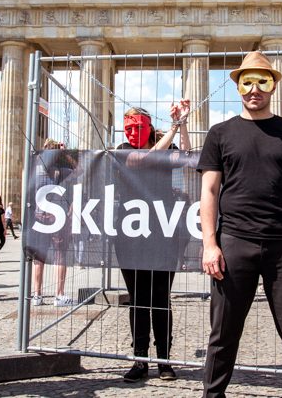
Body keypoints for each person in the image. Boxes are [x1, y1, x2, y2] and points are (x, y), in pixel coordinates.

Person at [198, 51, 282, 398]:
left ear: (274, 86)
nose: (255, 89)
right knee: (222, 334)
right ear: (237, 86)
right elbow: (208, 189)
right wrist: (210, 243)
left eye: (262, 81)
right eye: (247, 81)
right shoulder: (220, 133)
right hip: (234, 243)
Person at [115, 102, 190, 382]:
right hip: (130, 235)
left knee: (160, 298)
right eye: (129, 127)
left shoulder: (166, 146)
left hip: (162, 233)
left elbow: (184, 156)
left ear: (147, 126)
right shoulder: (123, 149)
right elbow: (144, 160)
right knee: (139, 300)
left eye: (138, 127)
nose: (133, 132)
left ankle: (164, 360)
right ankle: (140, 359)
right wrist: (172, 129)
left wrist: (182, 123)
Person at [30, 139, 75, 307]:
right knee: (60, 255)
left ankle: (37, 295)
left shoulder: (35, 170)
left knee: (39, 257)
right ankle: (59, 294)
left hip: (39, 216)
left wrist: (44, 150)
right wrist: (67, 153)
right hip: (58, 217)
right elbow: (81, 170)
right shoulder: (61, 171)